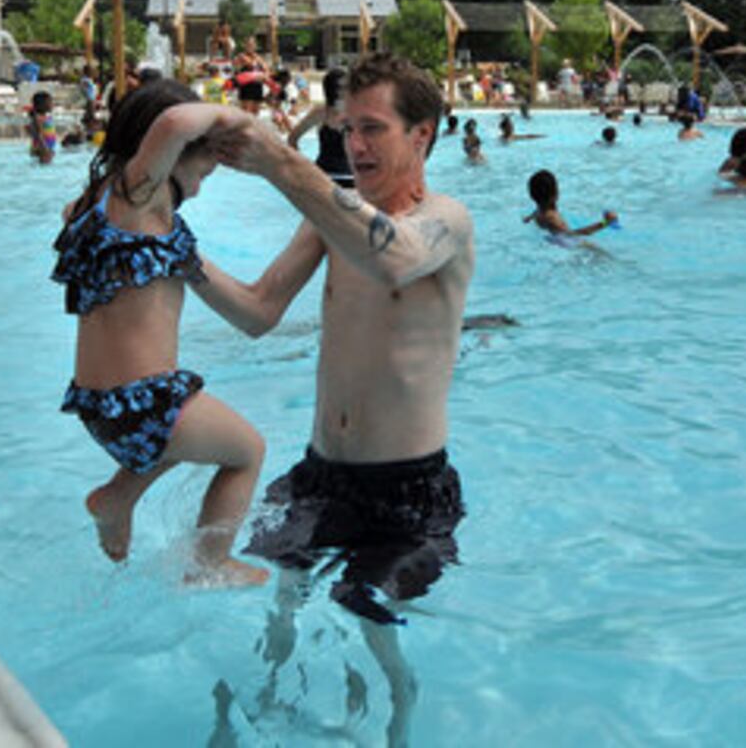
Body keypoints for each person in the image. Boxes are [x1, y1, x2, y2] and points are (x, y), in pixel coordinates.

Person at [205, 53, 473, 740]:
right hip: (322, 474)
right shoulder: (331, 219)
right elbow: (259, 311)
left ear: (422, 135)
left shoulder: (446, 221)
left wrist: (283, 165)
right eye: (348, 128)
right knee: (280, 594)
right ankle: (268, 699)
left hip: (405, 490)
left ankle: (400, 712)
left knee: (361, 607)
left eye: (374, 128)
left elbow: (395, 256)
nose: (355, 144)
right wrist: (174, 256)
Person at [50, 79, 268, 585]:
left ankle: (117, 497)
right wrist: (241, 118)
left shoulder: (99, 203)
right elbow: (172, 122)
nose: (212, 168)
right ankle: (209, 563)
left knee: (186, 432)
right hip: (144, 402)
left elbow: (254, 313)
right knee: (247, 452)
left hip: (103, 407)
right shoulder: (139, 196)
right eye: (208, 155)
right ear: (171, 152)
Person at [287, 67, 354, 188]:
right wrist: (299, 166)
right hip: (323, 177)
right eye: (342, 87)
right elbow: (293, 138)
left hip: (353, 177)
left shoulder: (358, 112)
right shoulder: (321, 112)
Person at [523, 169, 618, 238]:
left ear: (532, 196)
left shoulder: (539, 212)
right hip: (572, 246)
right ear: (555, 194)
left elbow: (529, 219)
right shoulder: (552, 218)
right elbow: (574, 235)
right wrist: (606, 222)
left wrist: (528, 218)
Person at [27, 90, 57, 165]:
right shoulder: (38, 118)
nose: (52, 105)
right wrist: (45, 150)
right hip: (41, 149)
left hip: (46, 148)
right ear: (42, 104)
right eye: (50, 102)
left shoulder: (46, 117)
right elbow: (38, 135)